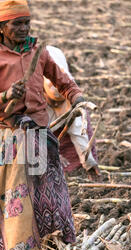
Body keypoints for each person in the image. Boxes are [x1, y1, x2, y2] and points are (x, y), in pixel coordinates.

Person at [0, 0, 96, 250]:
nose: (24, 28)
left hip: (40, 136)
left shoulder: (41, 53)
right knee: (15, 202)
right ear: (1, 28)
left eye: (27, 22)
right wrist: (3, 97)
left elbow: (64, 82)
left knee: (51, 198)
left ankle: (55, 248)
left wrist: (79, 99)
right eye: (17, 24)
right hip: (8, 139)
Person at [43, 45, 101, 181]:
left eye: (60, 102)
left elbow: (78, 132)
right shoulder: (33, 96)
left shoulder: (68, 88)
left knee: (81, 135)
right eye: (54, 102)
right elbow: (33, 131)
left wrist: (89, 164)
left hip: (63, 119)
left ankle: (77, 169)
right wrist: (51, 153)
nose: (57, 105)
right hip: (37, 128)